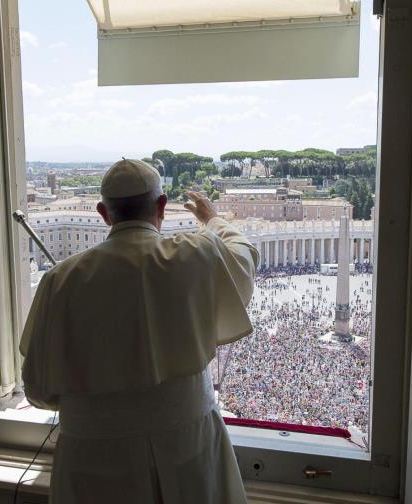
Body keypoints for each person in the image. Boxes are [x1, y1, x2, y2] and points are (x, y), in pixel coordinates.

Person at [19, 158, 259, 504]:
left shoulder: (60, 280)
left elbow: (38, 389)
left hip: (91, 460)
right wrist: (212, 219)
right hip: (187, 448)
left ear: (104, 213)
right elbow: (244, 256)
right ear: (162, 206)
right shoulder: (196, 254)